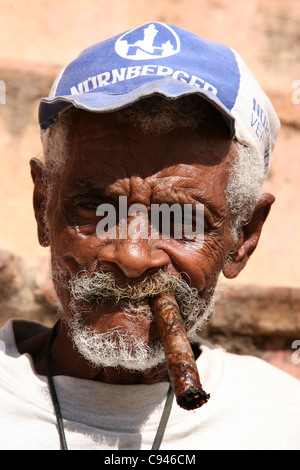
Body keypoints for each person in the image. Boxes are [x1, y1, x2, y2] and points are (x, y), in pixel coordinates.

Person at [0, 22, 299, 451]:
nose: (134, 256)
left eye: (182, 221)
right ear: (42, 206)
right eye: (94, 207)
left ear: (243, 238)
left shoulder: (285, 421)